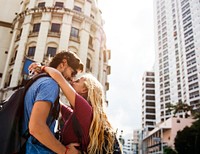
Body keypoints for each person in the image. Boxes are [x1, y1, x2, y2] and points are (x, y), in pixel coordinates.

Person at [29, 64, 122, 154]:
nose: (72, 81)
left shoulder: (86, 111)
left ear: (84, 90)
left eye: (77, 81)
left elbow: (58, 77)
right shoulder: (76, 116)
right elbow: (57, 102)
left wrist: (41, 67)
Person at [22, 50, 84, 154]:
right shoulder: (50, 85)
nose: (72, 79)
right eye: (73, 73)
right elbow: (36, 127)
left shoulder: (41, 80)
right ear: (63, 63)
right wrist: (65, 151)